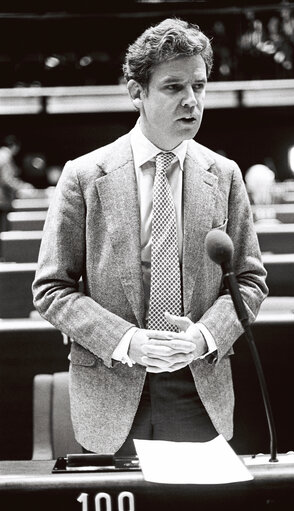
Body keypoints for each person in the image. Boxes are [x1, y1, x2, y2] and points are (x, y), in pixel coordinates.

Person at [32, 18, 268, 455]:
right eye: (173, 87)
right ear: (136, 92)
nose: (191, 101)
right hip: (112, 388)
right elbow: (52, 289)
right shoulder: (83, 176)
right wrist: (128, 342)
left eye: (199, 86)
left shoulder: (226, 175)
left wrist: (203, 337)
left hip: (198, 388)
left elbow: (249, 283)